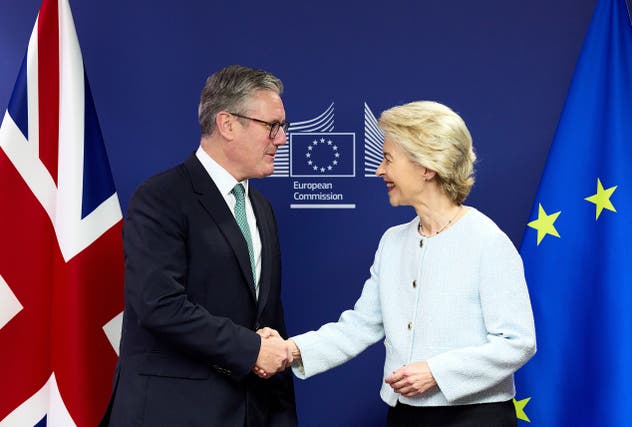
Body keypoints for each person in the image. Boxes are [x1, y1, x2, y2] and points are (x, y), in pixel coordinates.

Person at [259, 101, 536, 426]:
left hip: (475, 418)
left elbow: (518, 342)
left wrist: (437, 372)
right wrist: (291, 351)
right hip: (403, 415)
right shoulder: (393, 242)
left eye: (388, 158)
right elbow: (360, 326)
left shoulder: (487, 242)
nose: (380, 170)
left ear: (427, 166)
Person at [101, 65, 297, 427]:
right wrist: (251, 350)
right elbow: (160, 304)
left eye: (281, 127)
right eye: (272, 126)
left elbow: (269, 322)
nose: (281, 139)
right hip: (172, 413)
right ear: (227, 124)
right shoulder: (161, 198)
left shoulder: (261, 209)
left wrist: (282, 417)